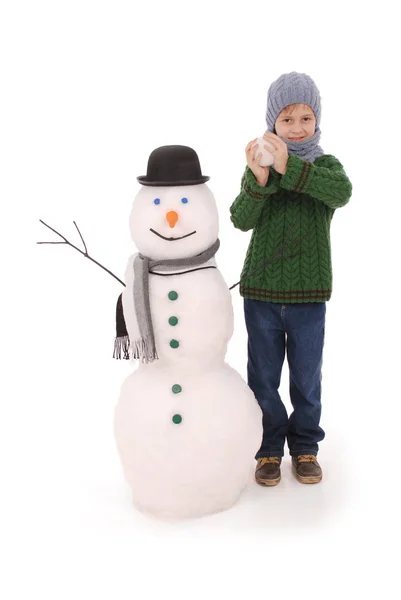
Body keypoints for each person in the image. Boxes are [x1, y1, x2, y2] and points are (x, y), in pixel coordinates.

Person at [230, 72, 352, 486]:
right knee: (262, 376)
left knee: (306, 377)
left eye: (305, 118)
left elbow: (340, 192)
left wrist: (290, 165)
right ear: (271, 124)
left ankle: (304, 447)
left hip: (308, 297)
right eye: (287, 120)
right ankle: (267, 449)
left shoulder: (325, 166)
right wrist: (260, 179)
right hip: (261, 294)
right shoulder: (260, 169)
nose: (297, 127)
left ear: (317, 121)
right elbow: (239, 220)